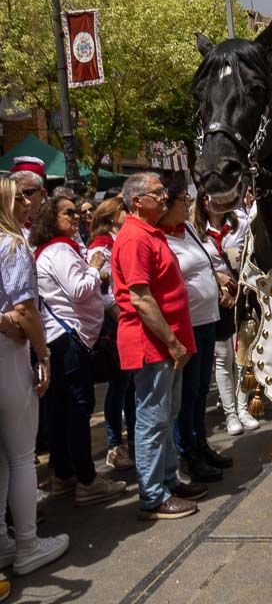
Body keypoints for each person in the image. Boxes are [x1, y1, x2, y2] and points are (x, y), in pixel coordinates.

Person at [111, 173, 203, 520]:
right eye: (157, 193)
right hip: (152, 344)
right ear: (137, 201)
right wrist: (171, 341)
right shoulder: (135, 238)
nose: (165, 197)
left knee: (166, 415)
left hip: (168, 344)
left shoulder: (151, 232)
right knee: (152, 419)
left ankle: (168, 481)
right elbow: (141, 298)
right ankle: (153, 496)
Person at [30, 197, 127, 506]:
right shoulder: (59, 251)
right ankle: (87, 480)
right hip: (69, 340)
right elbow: (79, 289)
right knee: (77, 410)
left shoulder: (61, 249)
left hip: (66, 339)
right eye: (68, 212)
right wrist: (96, 269)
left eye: (76, 211)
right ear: (51, 218)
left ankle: (63, 475)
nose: (76, 216)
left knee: (62, 410)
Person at [0, 178, 69, 579]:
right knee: (22, 455)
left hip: (8, 346)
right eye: (20, 197)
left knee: (4, 458)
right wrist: (43, 355)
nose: (28, 204)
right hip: (9, 356)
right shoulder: (11, 245)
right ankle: (26, 542)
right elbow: (26, 311)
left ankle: (7, 540)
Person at [158, 175, 234, 481]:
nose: (189, 207)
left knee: (202, 388)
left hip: (207, 320)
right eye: (184, 201)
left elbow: (204, 262)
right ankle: (187, 451)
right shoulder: (160, 238)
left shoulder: (187, 229)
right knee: (187, 394)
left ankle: (201, 444)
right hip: (184, 324)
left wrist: (219, 282)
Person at [192, 188, 258, 437]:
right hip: (216, 298)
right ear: (202, 202)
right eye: (209, 197)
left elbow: (255, 254)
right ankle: (230, 414)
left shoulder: (241, 223)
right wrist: (218, 281)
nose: (214, 201)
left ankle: (243, 409)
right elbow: (195, 266)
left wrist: (243, 259)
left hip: (243, 295)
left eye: (218, 196)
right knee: (222, 358)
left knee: (243, 354)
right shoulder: (195, 231)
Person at [88, 197, 136, 471]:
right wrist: (125, 320)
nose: (129, 214)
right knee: (119, 387)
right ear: (110, 218)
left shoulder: (119, 242)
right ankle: (115, 445)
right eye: (124, 210)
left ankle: (131, 442)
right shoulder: (100, 249)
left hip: (126, 321)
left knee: (129, 386)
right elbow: (106, 296)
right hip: (116, 325)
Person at [9, 159, 46, 238]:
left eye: (27, 193)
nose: (23, 200)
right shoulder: (8, 231)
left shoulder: (57, 223)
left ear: (42, 194)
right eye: (15, 195)